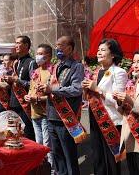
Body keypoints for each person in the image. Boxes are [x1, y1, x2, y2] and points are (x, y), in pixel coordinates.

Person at [38, 36, 85, 175]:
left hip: (66, 119)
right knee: (57, 155)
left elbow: (76, 89)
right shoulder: (56, 66)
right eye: (56, 45)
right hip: (51, 116)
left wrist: (51, 89)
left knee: (69, 156)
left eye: (61, 45)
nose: (57, 48)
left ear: (70, 48)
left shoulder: (77, 67)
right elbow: (52, 89)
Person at [82, 38, 127, 175]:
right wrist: (86, 91)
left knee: (111, 160)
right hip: (94, 118)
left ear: (112, 54)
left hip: (111, 121)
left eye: (103, 50)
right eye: (98, 50)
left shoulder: (119, 72)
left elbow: (118, 101)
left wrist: (97, 89)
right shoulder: (95, 72)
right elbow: (87, 98)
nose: (99, 52)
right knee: (98, 157)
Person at [24, 44, 54, 170]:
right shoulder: (35, 71)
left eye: (41, 53)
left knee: (47, 145)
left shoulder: (53, 71)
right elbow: (32, 89)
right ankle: (41, 169)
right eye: (37, 53)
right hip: (34, 113)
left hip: (46, 113)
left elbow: (55, 95)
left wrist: (37, 98)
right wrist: (28, 96)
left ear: (49, 56)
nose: (38, 56)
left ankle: (51, 169)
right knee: (38, 144)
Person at [4, 35, 36, 140]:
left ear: (26, 45)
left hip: (24, 104)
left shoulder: (31, 62)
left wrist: (17, 81)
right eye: (15, 43)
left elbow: (33, 84)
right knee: (15, 133)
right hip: (13, 102)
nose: (16, 45)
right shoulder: (16, 62)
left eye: (18, 43)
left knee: (26, 134)